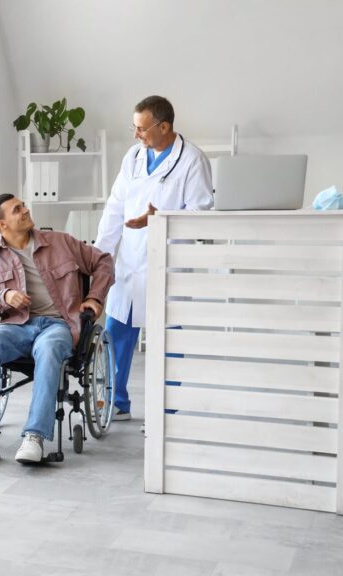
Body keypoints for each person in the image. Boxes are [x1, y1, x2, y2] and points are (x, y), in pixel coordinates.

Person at [0, 195, 114, 463]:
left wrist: (95, 297)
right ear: (2, 224)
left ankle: (35, 436)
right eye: (17, 210)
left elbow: (104, 262)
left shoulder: (61, 242)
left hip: (58, 324)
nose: (25, 210)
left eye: (23, 206)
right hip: (17, 324)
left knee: (50, 347)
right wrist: (4, 296)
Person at [94, 95, 213, 420]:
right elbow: (115, 207)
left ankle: (168, 410)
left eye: (142, 129)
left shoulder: (192, 160)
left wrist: (159, 218)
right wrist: (100, 257)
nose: (136, 135)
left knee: (168, 343)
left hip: (168, 266)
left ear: (164, 126)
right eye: (134, 128)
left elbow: (200, 215)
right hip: (130, 263)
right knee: (116, 336)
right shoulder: (133, 156)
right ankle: (115, 402)